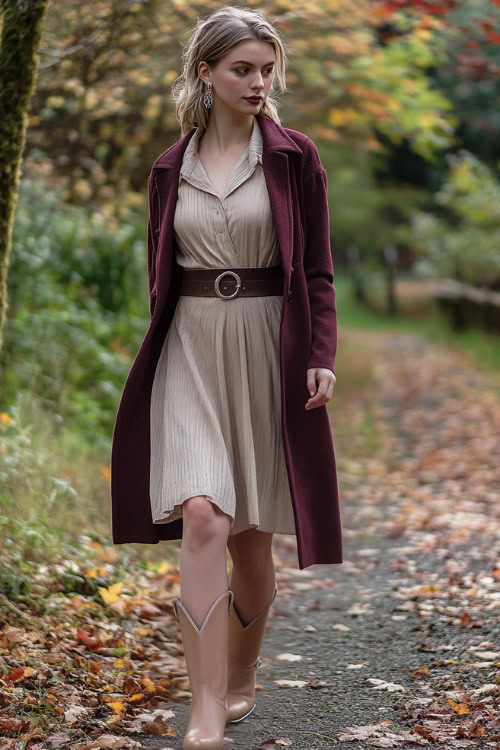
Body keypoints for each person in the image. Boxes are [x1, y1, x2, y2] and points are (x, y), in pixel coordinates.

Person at [113, 5, 340, 749]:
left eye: (267, 69)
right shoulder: (167, 168)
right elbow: (160, 276)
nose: (258, 82)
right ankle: (205, 708)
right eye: (243, 68)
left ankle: (241, 677)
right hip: (189, 349)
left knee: (251, 539)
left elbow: (316, 270)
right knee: (203, 514)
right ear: (205, 72)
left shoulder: (294, 157)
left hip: (267, 349)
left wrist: (321, 353)